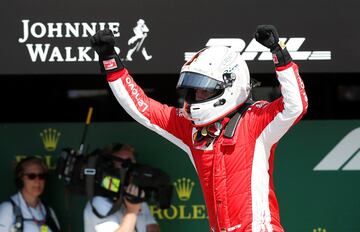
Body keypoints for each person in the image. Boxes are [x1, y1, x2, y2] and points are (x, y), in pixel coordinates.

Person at [90, 25, 308, 232]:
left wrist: (280, 54)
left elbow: (295, 106)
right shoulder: (191, 127)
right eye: (193, 90)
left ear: (230, 85)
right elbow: (144, 109)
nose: (196, 97)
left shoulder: (255, 121)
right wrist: (111, 61)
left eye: (204, 89)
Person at [83, 143, 160, 232]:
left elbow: (153, 227)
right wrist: (132, 211)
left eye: (131, 164)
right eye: (123, 165)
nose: (128, 170)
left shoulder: (136, 197)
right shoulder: (99, 203)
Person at [0, 156, 61, 232]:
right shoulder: (8, 209)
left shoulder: (49, 212)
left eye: (41, 176)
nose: (37, 181)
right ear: (21, 178)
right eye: (31, 176)